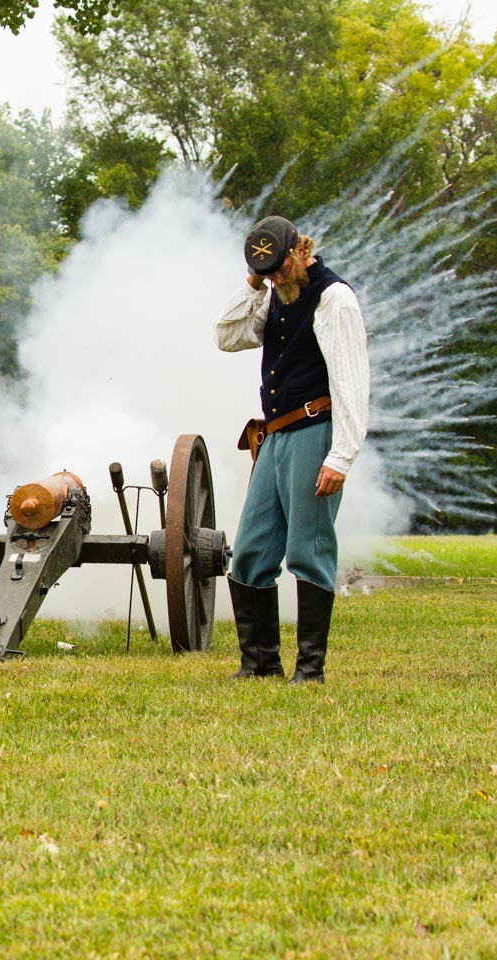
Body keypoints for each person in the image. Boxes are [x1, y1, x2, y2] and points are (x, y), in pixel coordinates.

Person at [215, 215, 370, 684]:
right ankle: (260, 665)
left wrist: (341, 456)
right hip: (276, 435)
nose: (277, 279)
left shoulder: (333, 296)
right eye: (269, 274)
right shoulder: (274, 292)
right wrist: (253, 284)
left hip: (314, 431)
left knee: (308, 549)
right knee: (251, 551)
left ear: (301, 251)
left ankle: (309, 670)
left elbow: (350, 381)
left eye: (281, 269)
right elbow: (226, 336)